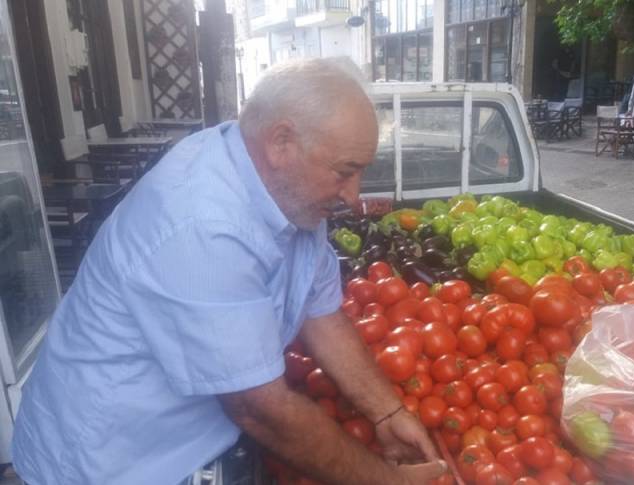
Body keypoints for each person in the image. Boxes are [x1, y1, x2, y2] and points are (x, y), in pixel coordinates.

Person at [11, 58, 446, 485]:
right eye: (344, 172)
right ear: (281, 143)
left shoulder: (288, 192)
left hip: (179, 441)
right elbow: (260, 409)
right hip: (108, 461)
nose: (354, 196)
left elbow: (321, 312)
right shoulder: (201, 224)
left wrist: (387, 413)